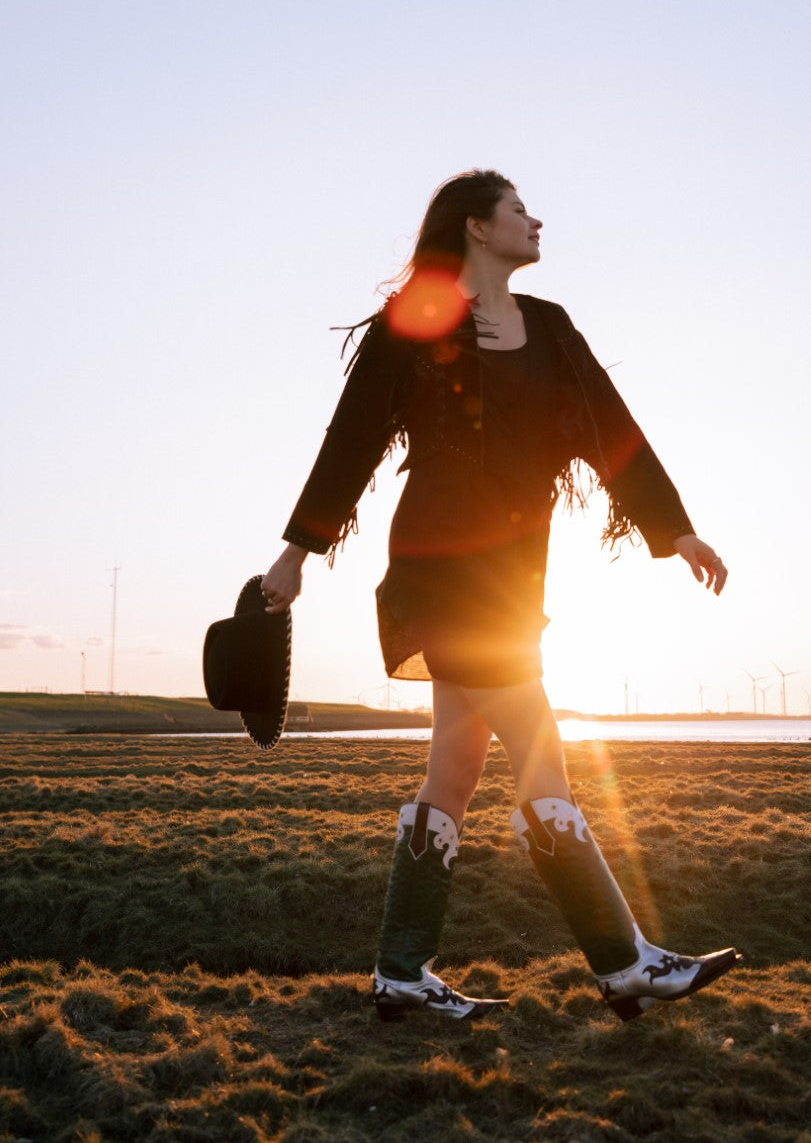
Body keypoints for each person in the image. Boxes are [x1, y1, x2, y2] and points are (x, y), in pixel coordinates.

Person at [262, 169, 738, 1022]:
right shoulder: (416, 327)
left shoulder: (550, 328)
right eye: (519, 208)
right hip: (442, 570)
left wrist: (675, 530)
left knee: (457, 766)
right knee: (539, 746)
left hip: (516, 579)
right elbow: (353, 439)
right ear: (478, 228)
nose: (536, 218)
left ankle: (401, 972)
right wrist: (298, 551)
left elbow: (614, 428)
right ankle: (624, 959)